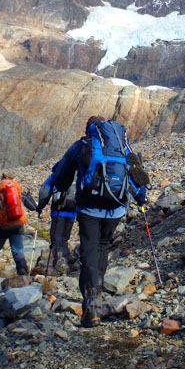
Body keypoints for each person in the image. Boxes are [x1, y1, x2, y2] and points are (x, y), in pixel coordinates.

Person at [51, 115, 147, 327]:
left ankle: (92, 303)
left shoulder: (83, 144)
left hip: (89, 207)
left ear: (89, 130)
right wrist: (141, 196)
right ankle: (98, 290)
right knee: (102, 246)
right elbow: (137, 173)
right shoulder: (123, 146)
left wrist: (59, 187)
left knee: (89, 250)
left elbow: (62, 175)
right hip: (116, 206)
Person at [0, 173, 36, 276]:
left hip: (2, 226)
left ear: (2, 179)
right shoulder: (19, 191)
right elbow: (33, 207)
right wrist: (29, 196)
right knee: (18, 251)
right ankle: (23, 275)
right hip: (17, 225)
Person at [36, 163, 77, 271]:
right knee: (65, 236)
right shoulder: (78, 172)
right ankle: (66, 256)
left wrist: (40, 206)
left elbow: (45, 191)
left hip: (58, 210)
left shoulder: (57, 173)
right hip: (72, 210)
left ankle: (59, 259)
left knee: (56, 236)